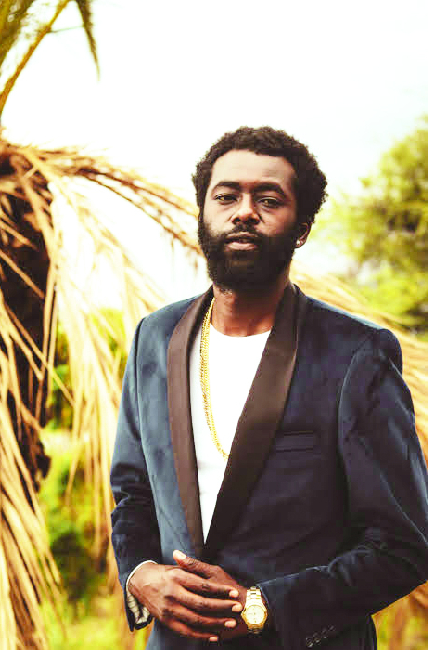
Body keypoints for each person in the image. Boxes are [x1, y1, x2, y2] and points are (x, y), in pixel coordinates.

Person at [110, 126, 428, 649]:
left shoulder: (357, 355)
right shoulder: (155, 337)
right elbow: (132, 491)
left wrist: (263, 608)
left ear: (301, 228)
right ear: (202, 215)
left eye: (268, 199)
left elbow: (401, 546)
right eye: (226, 196)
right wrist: (140, 574)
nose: (244, 212)